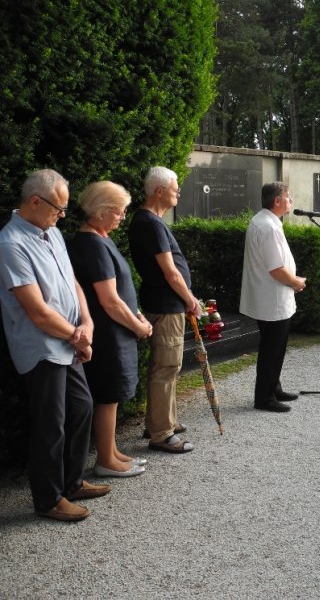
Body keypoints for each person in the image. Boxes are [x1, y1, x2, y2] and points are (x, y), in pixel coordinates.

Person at [0, 169, 110, 522]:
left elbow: (72, 282)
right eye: (58, 208)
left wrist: (88, 324)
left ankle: (72, 481)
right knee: (51, 423)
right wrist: (77, 335)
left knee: (82, 408)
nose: (62, 215)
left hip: (66, 340)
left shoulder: (53, 232)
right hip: (42, 347)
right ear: (35, 201)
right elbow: (36, 311)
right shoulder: (10, 243)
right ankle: (48, 500)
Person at [69, 182, 152, 478]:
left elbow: (121, 293)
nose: (122, 217)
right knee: (107, 395)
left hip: (116, 330)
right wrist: (139, 326)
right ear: (103, 211)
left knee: (112, 396)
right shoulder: (91, 244)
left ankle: (112, 451)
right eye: (119, 212)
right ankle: (105, 459)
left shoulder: (100, 238)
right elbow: (110, 301)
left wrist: (137, 314)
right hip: (108, 333)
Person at [128, 166, 200, 452]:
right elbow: (170, 273)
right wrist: (190, 299)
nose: (178, 192)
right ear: (159, 191)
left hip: (165, 303)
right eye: (174, 187)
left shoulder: (149, 221)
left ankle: (162, 420)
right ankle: (161, 432)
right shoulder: (151, 223)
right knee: (166, 366)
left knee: (168, 365)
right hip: (167, 304)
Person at [240, 182, 306, 412]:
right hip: (272, 298)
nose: (291, 201)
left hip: (271, 296)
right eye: (288, 197)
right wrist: (296, 282)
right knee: (272, 349)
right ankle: (264, 398)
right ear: (277, 201)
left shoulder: (266, 221)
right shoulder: (267, 226)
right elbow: (276, 269)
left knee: (276, 347)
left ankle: (274, 387)